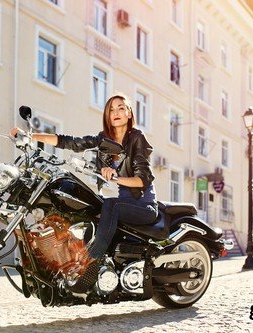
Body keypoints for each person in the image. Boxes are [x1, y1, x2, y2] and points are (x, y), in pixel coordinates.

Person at [11, 94, 158, 292]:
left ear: (129, 112)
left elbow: (143, 179)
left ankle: (93, 264)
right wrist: (31, 137)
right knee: (89, 208)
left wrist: (115, 177)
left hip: (143, 204)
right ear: (107, 115)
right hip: (124, 203)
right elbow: (72, 143)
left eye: (121, 108)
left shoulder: (137, 138)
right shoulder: (104, 139)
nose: (116, 112)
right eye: (111, 109)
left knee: (110, 203)